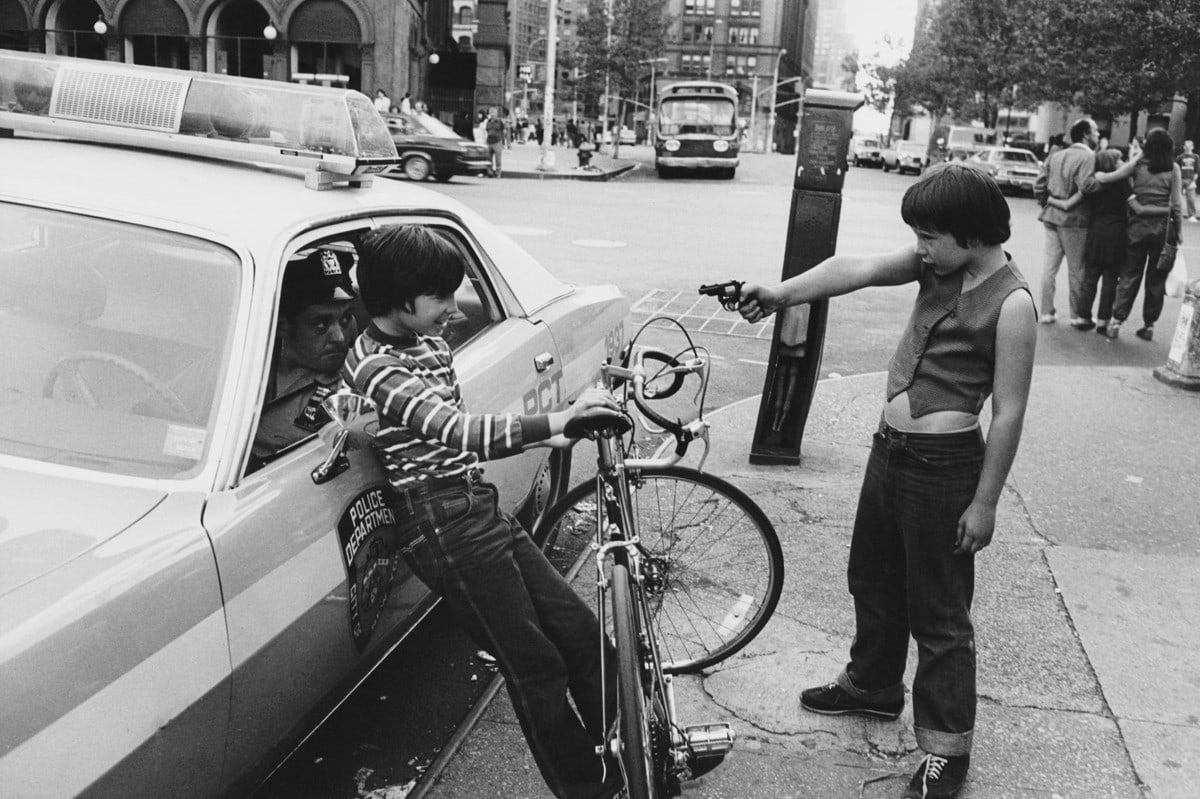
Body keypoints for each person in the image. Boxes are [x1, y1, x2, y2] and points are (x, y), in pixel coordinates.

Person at [736, 163, 1037, 799]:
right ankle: (872, 685)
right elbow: (857, 267)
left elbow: (1009, 412)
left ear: (972, 232)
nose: (920, 247)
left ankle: (945, 749)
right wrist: (780, 293)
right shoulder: (938, 264)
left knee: (940, 611)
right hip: (890, 451)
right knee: (871, 576)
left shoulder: (1012, 305)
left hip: (944, 468)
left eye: (930, 235)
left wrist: (984, 504)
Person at [343, 224, 625, 799]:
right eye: (441, 298)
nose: (453, 308)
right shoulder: (376, 369)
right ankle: (590, 790)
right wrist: (557, 424)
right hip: (440, 525)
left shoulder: (429, 345)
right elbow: (455, 430)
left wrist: (560, 425)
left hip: (474, 504)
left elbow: (455, 435)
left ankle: (636, 754)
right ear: (399, 300)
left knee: (582, 635)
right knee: (535, 667)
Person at [253, 248, 358, 461]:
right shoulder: (246, 359)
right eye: (321, 324)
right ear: (283, 326)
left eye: (346, 318)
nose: (339, 337)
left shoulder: (356, 380)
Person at [1046, 147, 1141, 332]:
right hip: (1116, 231)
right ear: (1113, 163)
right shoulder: (1122, 183)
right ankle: (1103, 321)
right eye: (1119, 159)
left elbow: (1080, 199)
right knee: (1110, 280)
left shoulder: (1095, 183)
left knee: (1091, 277)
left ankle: (1083, 316)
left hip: (1096, 231)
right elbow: (1132, 206)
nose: (1122, 162)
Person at [1107, 127, 1184, 341]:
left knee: (1130, 275)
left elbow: (1116, 176)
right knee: (1156, 279)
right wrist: (1178, 232)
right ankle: (1149, 325)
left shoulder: (1139, 166)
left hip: (1137, 228)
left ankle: (1116, 321)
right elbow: (1176, 206)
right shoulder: (1173, 169)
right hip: (1162, 229)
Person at [1033, 118, 1103, 327]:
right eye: (1096, 131)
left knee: (1049, 267)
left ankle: (1046, 311)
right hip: (1076, 220)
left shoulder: (1056, 156)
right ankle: (1076, 314)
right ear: (1085, 134)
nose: (1099, 135)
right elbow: (1088, 186)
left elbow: (1039, 186)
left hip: (1051, 217)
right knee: (1077, 270)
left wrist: (1050, 201)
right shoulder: (1089, 158)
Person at [1175, 139, 1199, 221]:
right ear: (1184, 147)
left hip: (1190, 179)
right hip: (1181, 179)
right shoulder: (1180, 157)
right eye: (1186, 145)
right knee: (1178, 197)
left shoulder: (1196, 157)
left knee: (1191, 198)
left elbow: (1196, 170)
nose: (1188, 147)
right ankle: (1177, 214)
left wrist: (1193, 181)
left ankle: (1191, 215)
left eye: (1189, 145)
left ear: (1192, 147)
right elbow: (1176, 168)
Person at [485, 108, 505, 176]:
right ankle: (489, 172)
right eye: (491, 112)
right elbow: (487, 130)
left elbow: (503, 131)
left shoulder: (499, 121)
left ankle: (498, 173)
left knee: (498, 159)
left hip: (497, 142)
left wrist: (503, 141)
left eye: (493, 112)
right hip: (489, 142)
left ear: (496, 113)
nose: (492, 114)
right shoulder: (488, 121)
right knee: (488, 158)